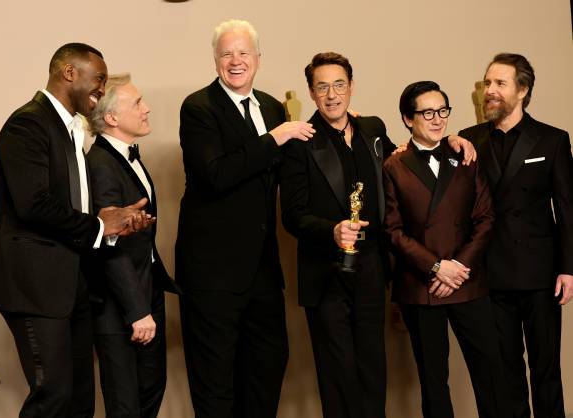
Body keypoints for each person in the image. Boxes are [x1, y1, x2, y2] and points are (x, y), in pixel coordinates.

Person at [279, 53, 475, 418]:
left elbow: (408, 159)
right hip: (325, 272)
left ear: (352, 86)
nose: (332, 94)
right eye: (323, 86)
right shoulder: (299, 142)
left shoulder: (373, 129)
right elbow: (291, 215)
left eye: (339, 84)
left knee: (373, 368)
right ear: (312, 91)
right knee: (337, 374)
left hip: (371, 267)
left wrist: (450, 139)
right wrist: (331, 230)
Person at [0, 43, 150, 418]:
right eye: (99, 79)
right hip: (35, 287)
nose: (102, 89)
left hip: (72, 284)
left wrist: (110, 220)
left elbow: (69, 206)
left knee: (79, 401)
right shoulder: (28, 124)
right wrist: (98, 224)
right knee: (53, 398)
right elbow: (33, 204)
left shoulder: (70, 128)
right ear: (69, 73)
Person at [175, 19, 315, 418]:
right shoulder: (198, 107)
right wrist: (275, 138)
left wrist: (341, 125)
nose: (235, 61)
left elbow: (294, 164)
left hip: (262, 271)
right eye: (226, 54)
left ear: (258, 59)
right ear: (215, 60)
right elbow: (216, 174)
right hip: (213, 274)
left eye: (243, 53)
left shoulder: (271, 107)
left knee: (266, 372)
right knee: (216, 384)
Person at [383, 80, 509, 418]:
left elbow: (485, 217)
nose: (437, 119)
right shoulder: (393, 166)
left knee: (491, 373)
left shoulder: (465, 155)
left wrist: (458, 268)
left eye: (442, 111)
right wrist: (437, 267)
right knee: (433, 380)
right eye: (427, 113)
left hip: (467, 280)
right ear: (408, 119)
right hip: (422, 285)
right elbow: (392, 231)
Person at [459, 53, 573, 418]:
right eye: (487, 83)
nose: (489, 90)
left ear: (522, 90)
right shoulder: (468, 140)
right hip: (491, 273)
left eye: (499, 83)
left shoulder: (553, 140)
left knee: (546, 369)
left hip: (541, 274)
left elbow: (567, 209)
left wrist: (568, 268)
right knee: (504, 372)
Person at [87, 73, 181, 418]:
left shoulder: (126, 157)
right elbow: (109, 244)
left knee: (149, 392)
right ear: (112, 117)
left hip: (145, 289)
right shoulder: (100, 165)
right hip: (120, 305)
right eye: (137, 103)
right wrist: (137, 310)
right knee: (126, 404)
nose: (147, 108)